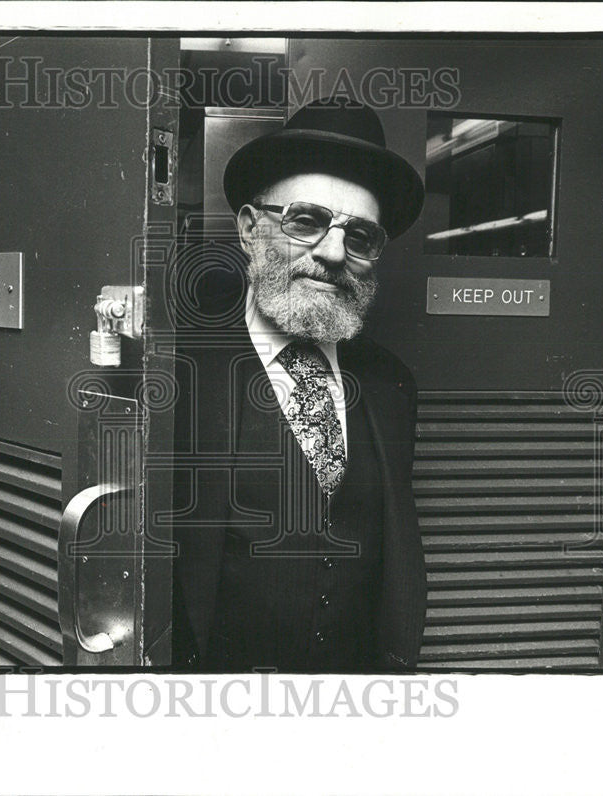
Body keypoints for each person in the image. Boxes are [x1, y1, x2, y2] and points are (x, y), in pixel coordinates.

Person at [172, 97, 427, 672]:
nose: (334, 253)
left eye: (359, 236)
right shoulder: (177, 376)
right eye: (306, 221)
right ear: (248, 229)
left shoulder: (391, 385)